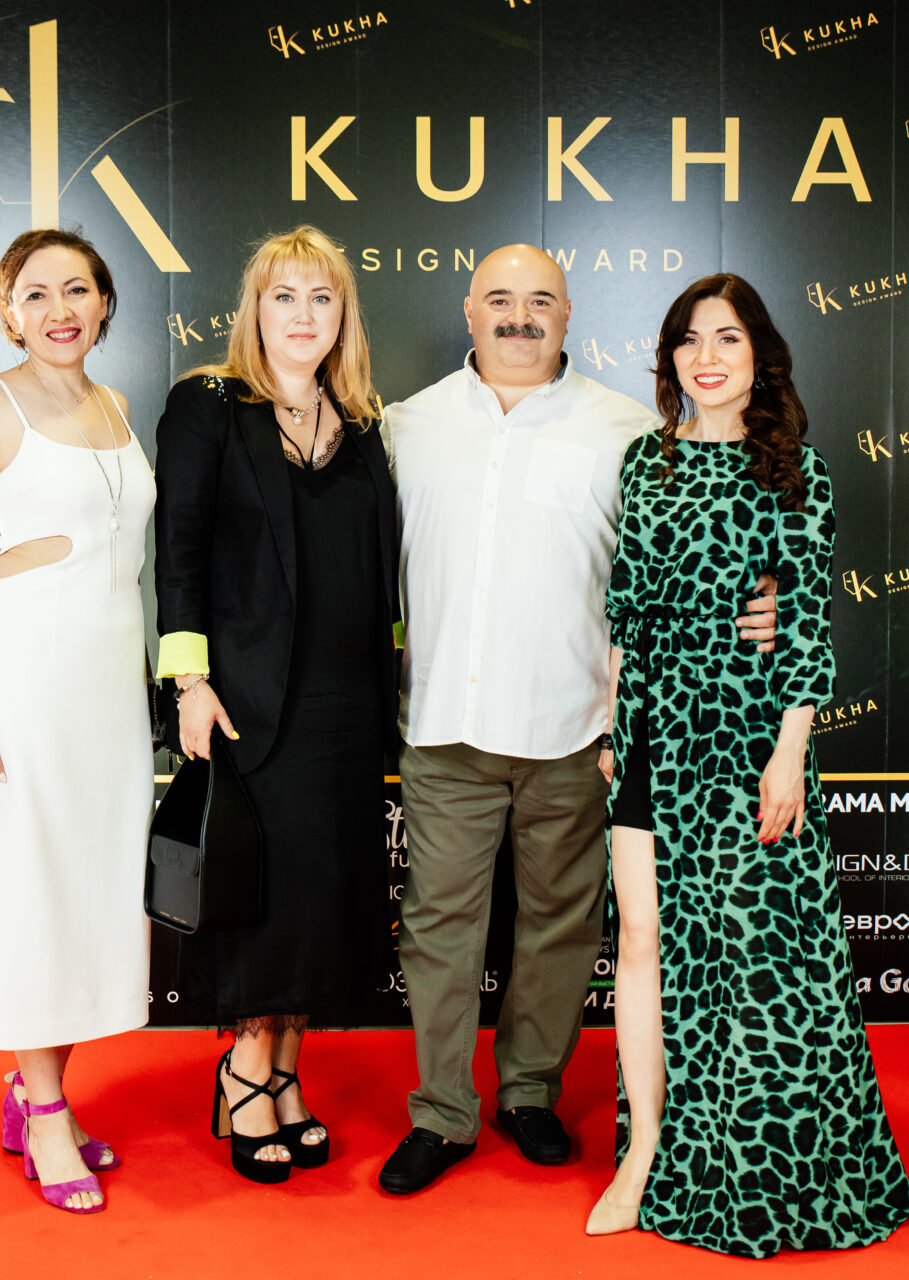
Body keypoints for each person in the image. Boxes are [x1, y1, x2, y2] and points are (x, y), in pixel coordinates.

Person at [376, 246, 778, 1195]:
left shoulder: (628, 431)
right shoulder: (404, 426)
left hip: (576, 731)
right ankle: (442, 1113)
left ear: (568, 314)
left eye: (540, 301)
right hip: (443, 725)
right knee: (438, 930)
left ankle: (530, 1094)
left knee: (559, 926)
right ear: (468, 310)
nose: (519, 316)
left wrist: (765, 599)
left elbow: (691, 557)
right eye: (500, 299)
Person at [588, 274, 909, 1253]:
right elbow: (627, 606)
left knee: (748, 950)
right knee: (642, 941)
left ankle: (755, 1152)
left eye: (727, 338)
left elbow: (807, 619)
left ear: (760, 356)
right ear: (670, 358)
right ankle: (645, 1152)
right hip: (653, 731)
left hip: (748, 736)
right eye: (689, 339)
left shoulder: (795, 471)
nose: (707, 357)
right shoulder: (645, 461)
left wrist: (790, 753)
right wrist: (614, 722)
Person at [154, 225, 400, 1184]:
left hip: (349, 705)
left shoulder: (365, 426)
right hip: (248, 704)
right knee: (263, 899)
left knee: (321, 896)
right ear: (254, 311)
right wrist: (189, 682)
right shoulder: (210, 405)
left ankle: (288, 1072)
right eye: (284, 297)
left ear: (344, 316)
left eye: (322, 298)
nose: (304, 315)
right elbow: (177, 554)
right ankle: (245, 1073)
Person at [0, 228, 153, 1215]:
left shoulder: (118, 406)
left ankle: (33, 1094)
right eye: (36, 293)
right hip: (25, 679)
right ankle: (49, 1110)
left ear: (104, 304)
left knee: (85, 892)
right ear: (7, 311)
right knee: (31, 884)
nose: (59, 308)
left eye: (77, 289)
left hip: (110, 689)